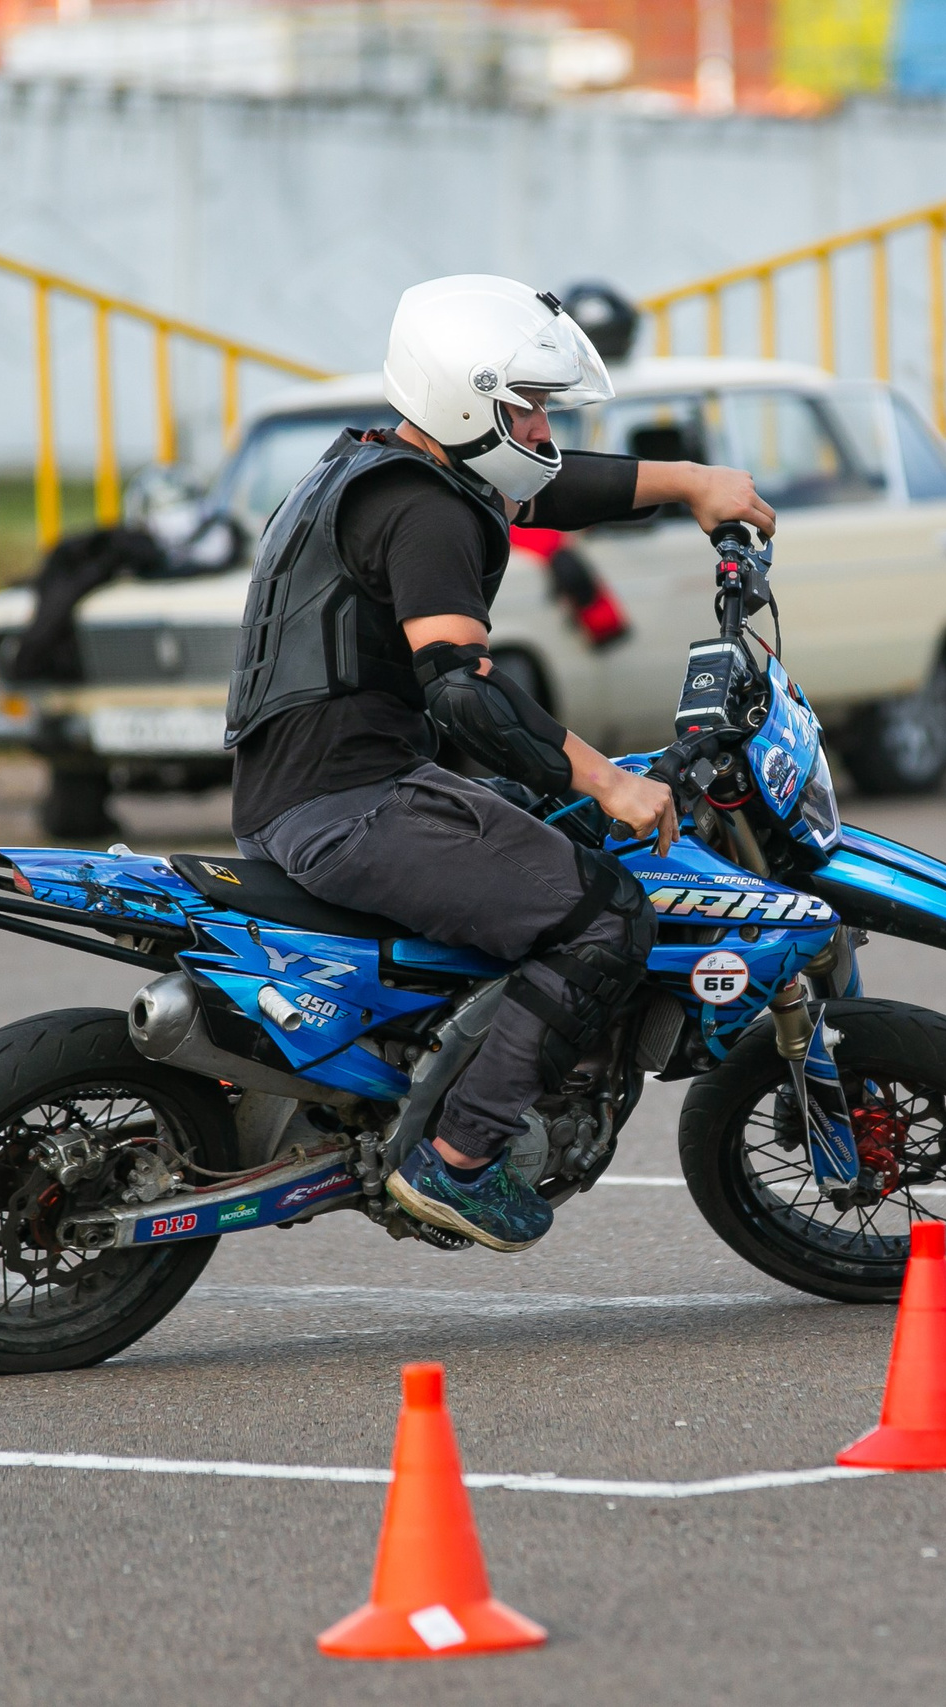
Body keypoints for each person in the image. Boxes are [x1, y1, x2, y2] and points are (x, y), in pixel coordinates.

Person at [221, 275, 774, 1254]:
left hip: (304, 789)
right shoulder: (424, 512)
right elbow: (461, 689)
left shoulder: (373, 464)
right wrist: (605, 777)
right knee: (604, 917)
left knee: (543, 822)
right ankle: (459, 1156)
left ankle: (441, 1065)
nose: (543, 424)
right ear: (468, 398)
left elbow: (546, 489)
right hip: (350, 802)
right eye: (528, 404)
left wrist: (688, 482)